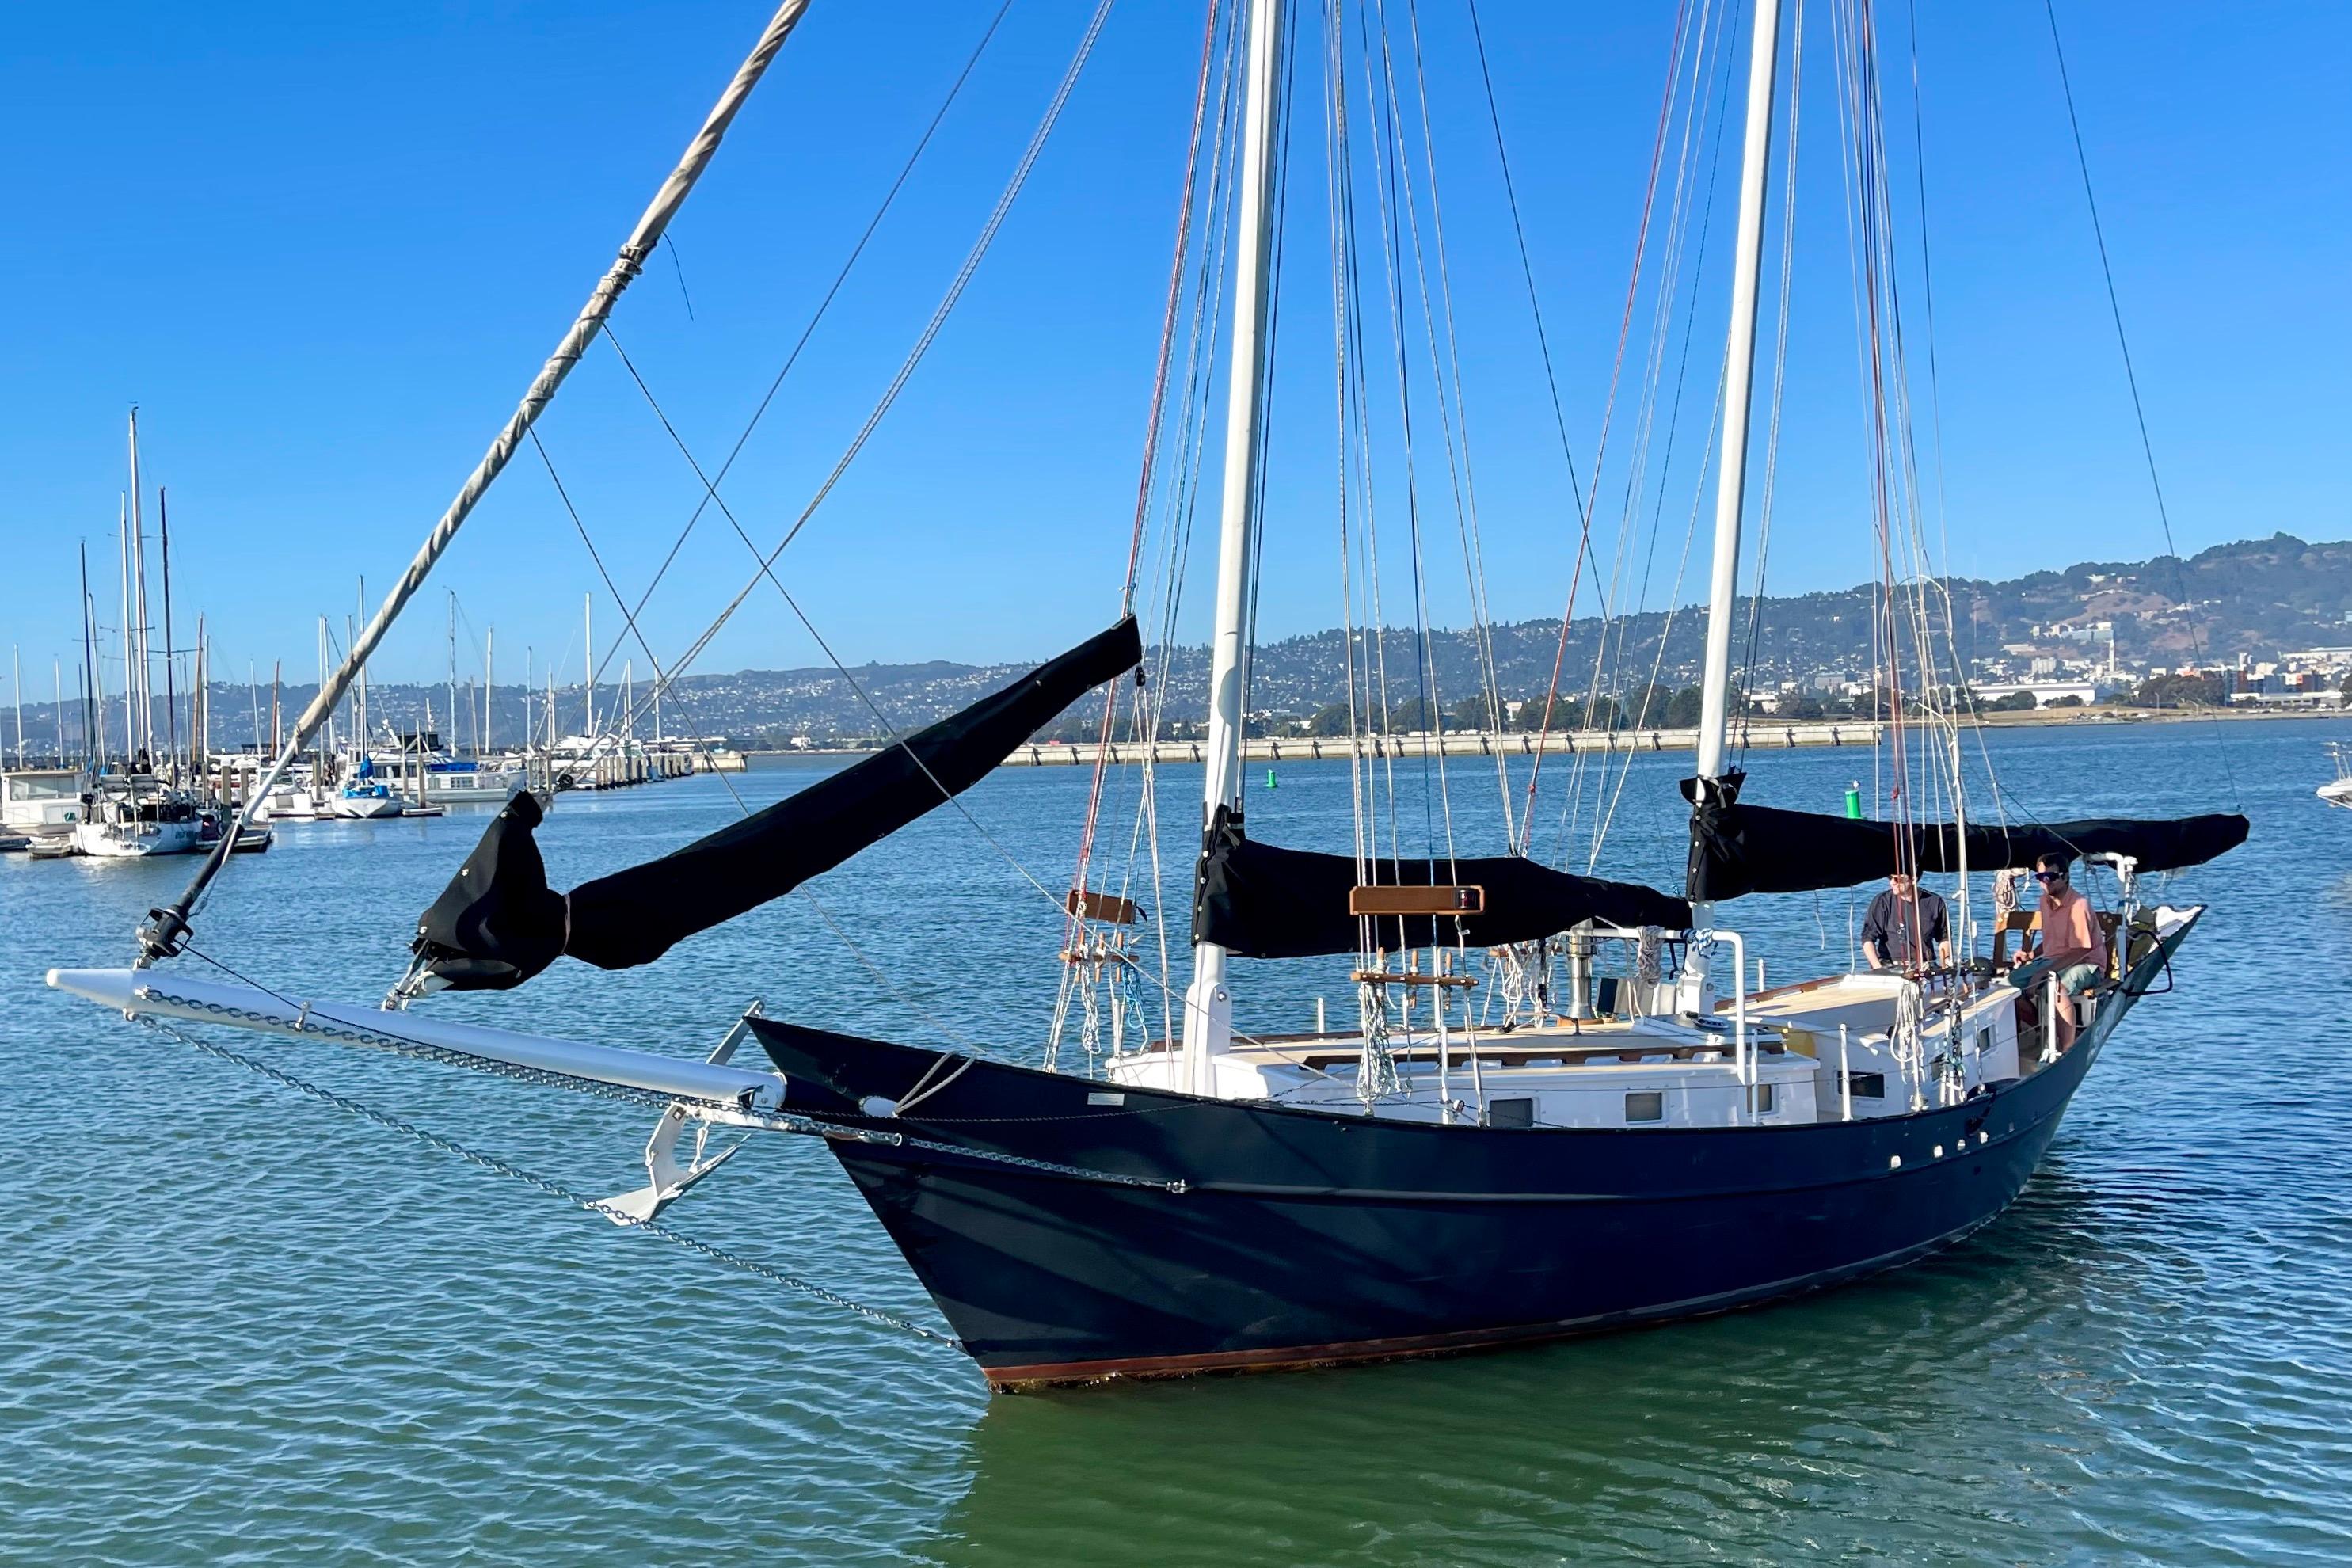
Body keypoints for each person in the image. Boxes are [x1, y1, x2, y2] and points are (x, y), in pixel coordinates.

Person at [2013, 851, 2107, 1049]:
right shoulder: (2044, 902)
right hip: (2052, 959)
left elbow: (2081, 950)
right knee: (2008, 987)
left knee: (2056, 987)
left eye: (2051, 877)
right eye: (2040, 877)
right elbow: (2051, 939)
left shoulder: (2078, 905)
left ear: (2065, 876)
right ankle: (2041, 1029)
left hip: (2087, 963)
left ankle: (2066, 1048)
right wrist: (2031, 956)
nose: (2046, 882)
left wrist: (2043, 973)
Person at [1860, 869, 1950, 972]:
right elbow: (1867, 939)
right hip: (1890, 967)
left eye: (1898, 879)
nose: (1892, 882)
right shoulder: (1882, 902)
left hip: (1925, 965)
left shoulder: (1935, 902)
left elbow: (1944, 938)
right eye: (1890, 878)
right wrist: (1877, 968)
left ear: (1913, 880)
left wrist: (1945, 967)